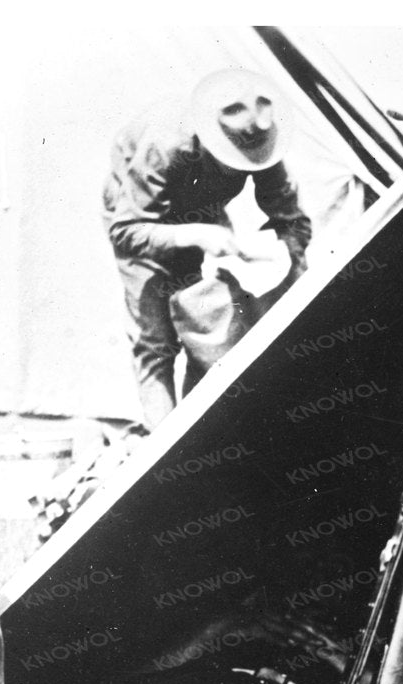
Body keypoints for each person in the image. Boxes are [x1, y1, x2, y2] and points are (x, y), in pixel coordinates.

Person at [102, 68, 312, 430]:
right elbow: (126, 230)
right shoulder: (165, 143)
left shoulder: (259, 140)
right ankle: (164, 453)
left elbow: (295, 223)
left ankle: (201, 438)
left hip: (202, 216)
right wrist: (193, 235)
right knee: (156, 342)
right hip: (141, 217)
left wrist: (277, 254)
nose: (238, 168)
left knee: (208, 330)